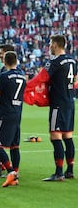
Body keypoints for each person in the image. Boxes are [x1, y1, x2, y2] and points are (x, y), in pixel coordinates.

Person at [0, 51, 26, 187]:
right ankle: (15, 174)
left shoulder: (4, 76)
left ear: (5, 61)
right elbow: (9, 97)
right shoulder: (22, 76)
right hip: (17, 113)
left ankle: (11, 172)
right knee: (14, 146)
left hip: (5, 115)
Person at [42, 35, 77, 181]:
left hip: (58, 103)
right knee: (67, 137)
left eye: (50, 43)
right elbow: (75, 80)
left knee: (55, 136)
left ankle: (58, 172)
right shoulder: (72, 61)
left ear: (55, 44)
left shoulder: (54, 62)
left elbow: (42, 78)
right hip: (70, 102)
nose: (49, 46)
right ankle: (69, 170)